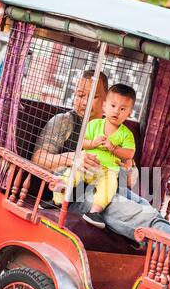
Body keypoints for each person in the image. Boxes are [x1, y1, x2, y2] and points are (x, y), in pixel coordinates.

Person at [32, 70, 170, 257]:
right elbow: (38, 158)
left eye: (93, 97)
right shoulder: (64, 122)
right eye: (79, 95)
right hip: (76, 190)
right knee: (141, 215)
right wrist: (73, 157)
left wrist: (128, 170)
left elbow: (131, 173)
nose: (83, 102)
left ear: (106, 101)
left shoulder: (119, 133)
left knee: (149, 209)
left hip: (110, 187)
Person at [52, 84, 136, 228]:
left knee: (109, 186)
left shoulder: (126, 134)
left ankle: (94, 212)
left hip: (107, 171)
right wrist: (93, 142)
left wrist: (113, 148)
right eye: (113, 106)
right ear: (105, 106)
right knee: (72, 172)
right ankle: (57, 199)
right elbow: (82, 143)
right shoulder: (94, 124)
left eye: (122, 109)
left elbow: (129, 153)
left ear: (129, 113)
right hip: (87, 165)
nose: (116, 111)